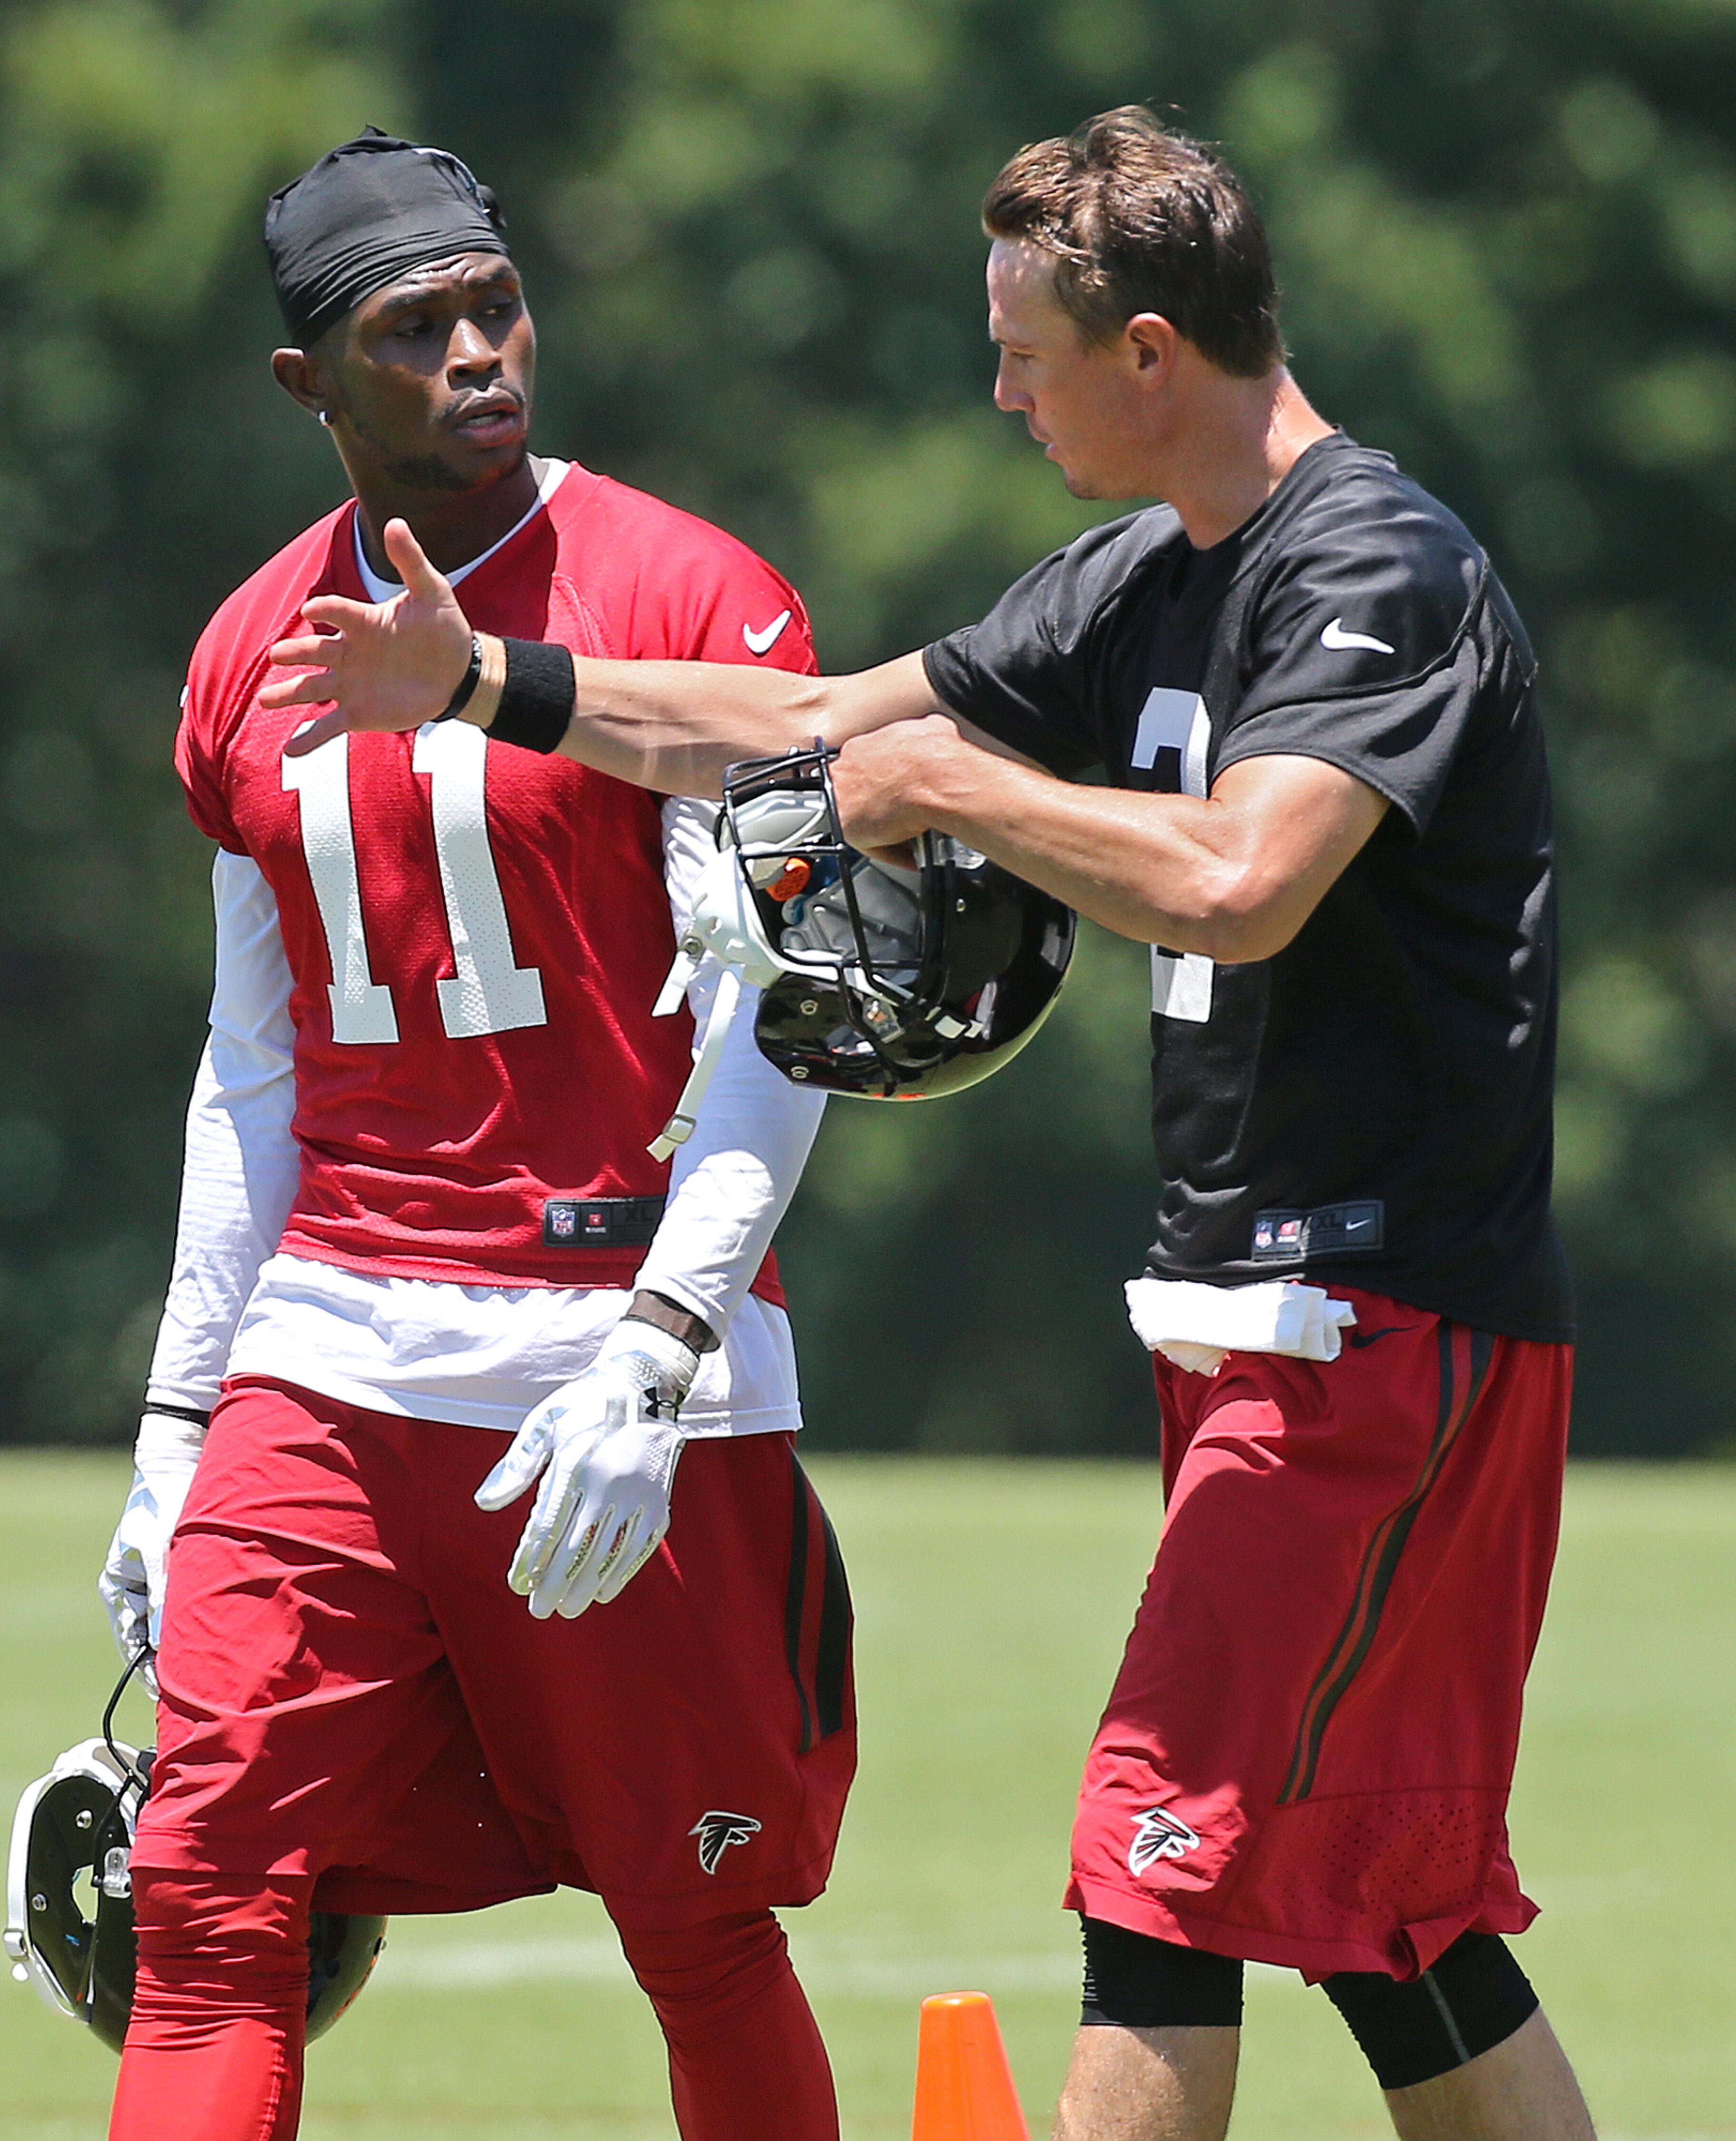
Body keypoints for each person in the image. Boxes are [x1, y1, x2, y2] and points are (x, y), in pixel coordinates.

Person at [266, 106, 1599, 2141]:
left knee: (1152, 1865)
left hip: (1382, 1338)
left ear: (1152, 356)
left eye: (1029, 356)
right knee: (1390, 1914)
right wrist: (488, 685)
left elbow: (1241, 879)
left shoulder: (1376, 567)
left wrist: (964, 793)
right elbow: (813, 730)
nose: (1000, 391)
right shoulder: (1136, 577)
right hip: (1270, 1335)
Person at [98, 128, 856, 2141]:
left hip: (604, 1353)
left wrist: (668, 1339)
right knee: (202, 1904)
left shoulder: (686, 591)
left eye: (494, 306)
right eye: (411, 328)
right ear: (310, 387)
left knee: (697, 1923)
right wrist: (182, 1426)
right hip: (332, 1351)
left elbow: (787, 1008)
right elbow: (249, 1066)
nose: (477, 355)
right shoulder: (244, 652)